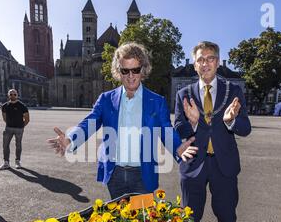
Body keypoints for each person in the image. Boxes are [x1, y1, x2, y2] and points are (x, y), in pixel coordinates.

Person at [48, 42, 197, 199]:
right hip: (115, 174)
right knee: (117, 221)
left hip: (143, 174)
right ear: (118, 72)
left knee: (142, 221)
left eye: (135, 70)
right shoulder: (105, 99)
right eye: (125, 71)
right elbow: (89, 123)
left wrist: (178, 148)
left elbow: (166, 129)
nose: (131, 76)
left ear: (143, 70)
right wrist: (71, 140)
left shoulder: (157, 101)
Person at [174, 41, 251, 222]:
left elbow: (245, 128)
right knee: (190, 221)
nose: (205, 63)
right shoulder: (183, 94)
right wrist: (193, 124)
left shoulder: (234, 90)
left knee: (227, 219)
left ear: (218, 62)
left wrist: (230, 121)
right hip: (193, 165)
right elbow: (179, 128)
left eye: (210, 58)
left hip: (224, 166)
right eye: (200, 59)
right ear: (194, 64)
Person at [0, 89, 30, 170]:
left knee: (18, 145)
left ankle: (18, 161)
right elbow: (4, 117)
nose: (13, 96)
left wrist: (22, 126)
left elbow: (27, 119)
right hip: (8, 128)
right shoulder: (5, 106)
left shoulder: (22, 106)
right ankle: (6, 163)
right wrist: (9, 124)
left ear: (17, 95)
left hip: (19, 129)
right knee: (5, 145)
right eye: (11, 94)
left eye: (14, 94)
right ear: (8, 95)